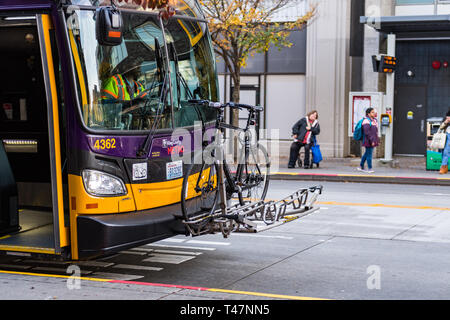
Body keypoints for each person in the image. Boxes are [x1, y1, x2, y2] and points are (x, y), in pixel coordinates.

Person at [357, 107, 379, 173]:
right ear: (368, 114)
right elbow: (367, 132)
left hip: (372, 140)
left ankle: (361, 166)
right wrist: (372, 140)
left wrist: (376, 140)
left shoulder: (374, 120)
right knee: (369, 154)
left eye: (374, 112)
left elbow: (375, 132)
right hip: (368, 140)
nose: (374, 113)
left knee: (367, 153)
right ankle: (370, 168)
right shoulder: (366, 121)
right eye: (372, 112)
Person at [439, 108, 450, 174]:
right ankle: (445, 167)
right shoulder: (446, 118)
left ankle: (443, 167)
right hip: (444, 136)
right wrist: (446, 122)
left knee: (446, 151)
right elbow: (440, 128)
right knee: (443, 152)